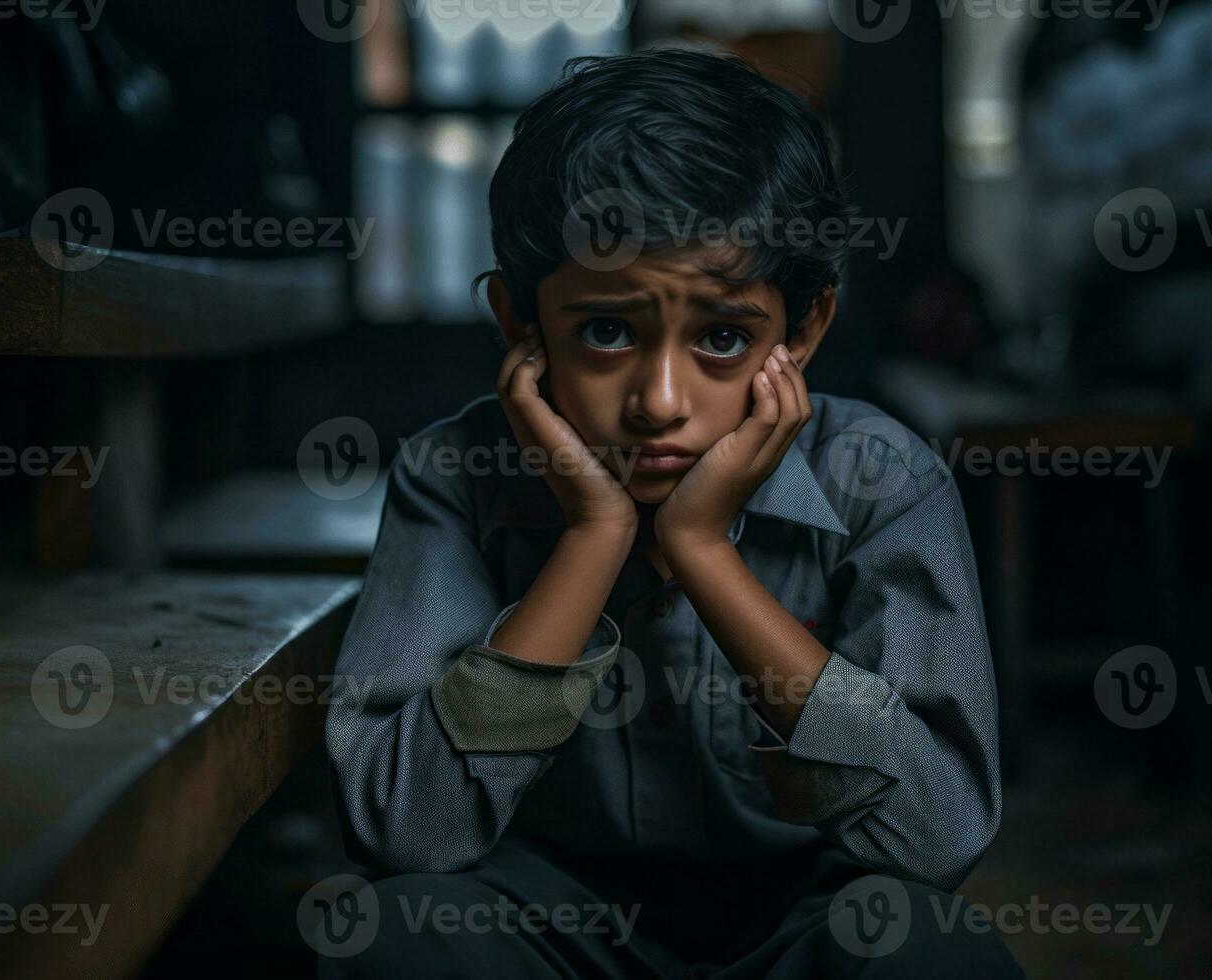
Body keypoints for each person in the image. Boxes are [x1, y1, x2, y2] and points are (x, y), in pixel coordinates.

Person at [323, 47, 1023, 978]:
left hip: (796, 929)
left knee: (931, 952)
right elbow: (404, 833)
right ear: (519, 325)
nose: (658, 400)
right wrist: (592, 538)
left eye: (724, 338)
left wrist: (700, 549)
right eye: (605, 331)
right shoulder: (453, 475)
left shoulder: (881, 482)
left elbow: (935, 840)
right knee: (398, 937)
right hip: (542, 926)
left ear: (804, 330)